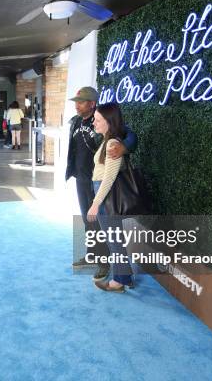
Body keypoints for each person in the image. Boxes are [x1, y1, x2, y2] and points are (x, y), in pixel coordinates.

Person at [66, 86, 137, 281]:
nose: (76, 106)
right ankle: (93, 254)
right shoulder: (76, 122)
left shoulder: (104, 123)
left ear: (92, 104)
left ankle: (105, 264)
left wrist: (124, 146)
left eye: (81, 102)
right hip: (81, 178)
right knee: (87, 220)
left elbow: (130, 136)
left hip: (97, 179)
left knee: (101, 222)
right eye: (76, 102)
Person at [88, 103, 134, 292]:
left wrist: (95, 204)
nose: (94, 123)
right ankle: (125, 277)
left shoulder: (113, 144)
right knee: (114, 239)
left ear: (109, 121)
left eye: (98, 120)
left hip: (105, 195)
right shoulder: (108, 141)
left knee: (114, 240)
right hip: (102, 192)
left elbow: (109, 178)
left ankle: (119, 281)